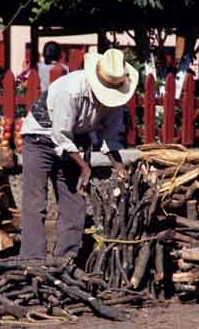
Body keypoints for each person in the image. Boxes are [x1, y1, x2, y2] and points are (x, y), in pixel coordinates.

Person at [20, 48, 139, 261]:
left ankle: (65, 260)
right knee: (35, 202)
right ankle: (32, 260)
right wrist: (84, 166)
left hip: (72, 140)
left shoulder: (116, 99)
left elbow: (109, 138)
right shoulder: (71, 90)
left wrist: (119, 168)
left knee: (74, 201)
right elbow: (60, 135)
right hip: (41, 138)